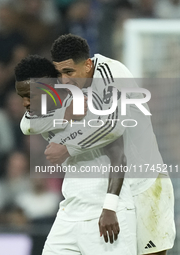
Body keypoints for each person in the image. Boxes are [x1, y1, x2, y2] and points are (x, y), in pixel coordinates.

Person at [28, 34, 175, 255]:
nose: (64, 80)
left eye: (69, 72)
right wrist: (63, 113)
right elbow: (27, 122)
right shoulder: (68, 86)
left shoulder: (111, 73)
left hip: (145, 182)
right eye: (59, 73)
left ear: (88, 65)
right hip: (113, 187)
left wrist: (67, 148)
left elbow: (114, 126)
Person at [15, 55, 136, 255]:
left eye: (30, 95)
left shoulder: (92, 101)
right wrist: (66, 115)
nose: (25, 103)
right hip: (70, 211)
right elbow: (25, 126)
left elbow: (118, 154)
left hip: (106, 211)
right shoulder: (40, 114)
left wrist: (110, 208)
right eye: (22, 97)